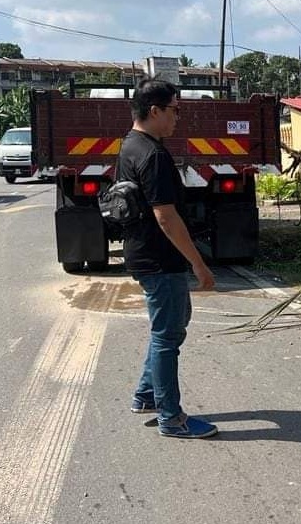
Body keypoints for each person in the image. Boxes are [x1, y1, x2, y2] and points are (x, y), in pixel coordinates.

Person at [116, 76, 218, 439]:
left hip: (144, 253)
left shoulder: (130, 145)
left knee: (167, 328)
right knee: (167, 336)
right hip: (160, 258)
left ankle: (147, 396)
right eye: (175, 110)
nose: (178, 117)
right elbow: (166, 217)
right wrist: (199, 264)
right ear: (155, 110)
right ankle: (171, 418)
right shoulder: (153, 154)